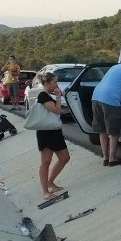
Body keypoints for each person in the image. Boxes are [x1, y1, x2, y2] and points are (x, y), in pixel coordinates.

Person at [90, 53, 121, 166]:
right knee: (113, 132)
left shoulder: (115, 67)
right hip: (110, 100)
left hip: (96, 97)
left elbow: (117, 84)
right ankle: (112, 159)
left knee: (102, 130)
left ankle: (106, 158)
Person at [34, 71, 71, 200]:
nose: (57, 84)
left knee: (65, 157)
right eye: (55, 82)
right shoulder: (43, 95)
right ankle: (45, 191)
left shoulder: (48, 95)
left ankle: (51, 181)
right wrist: (59, 97)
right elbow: (56, 110)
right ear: (48, 83)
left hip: (55, 131)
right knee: (46, 161)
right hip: (45, 132)